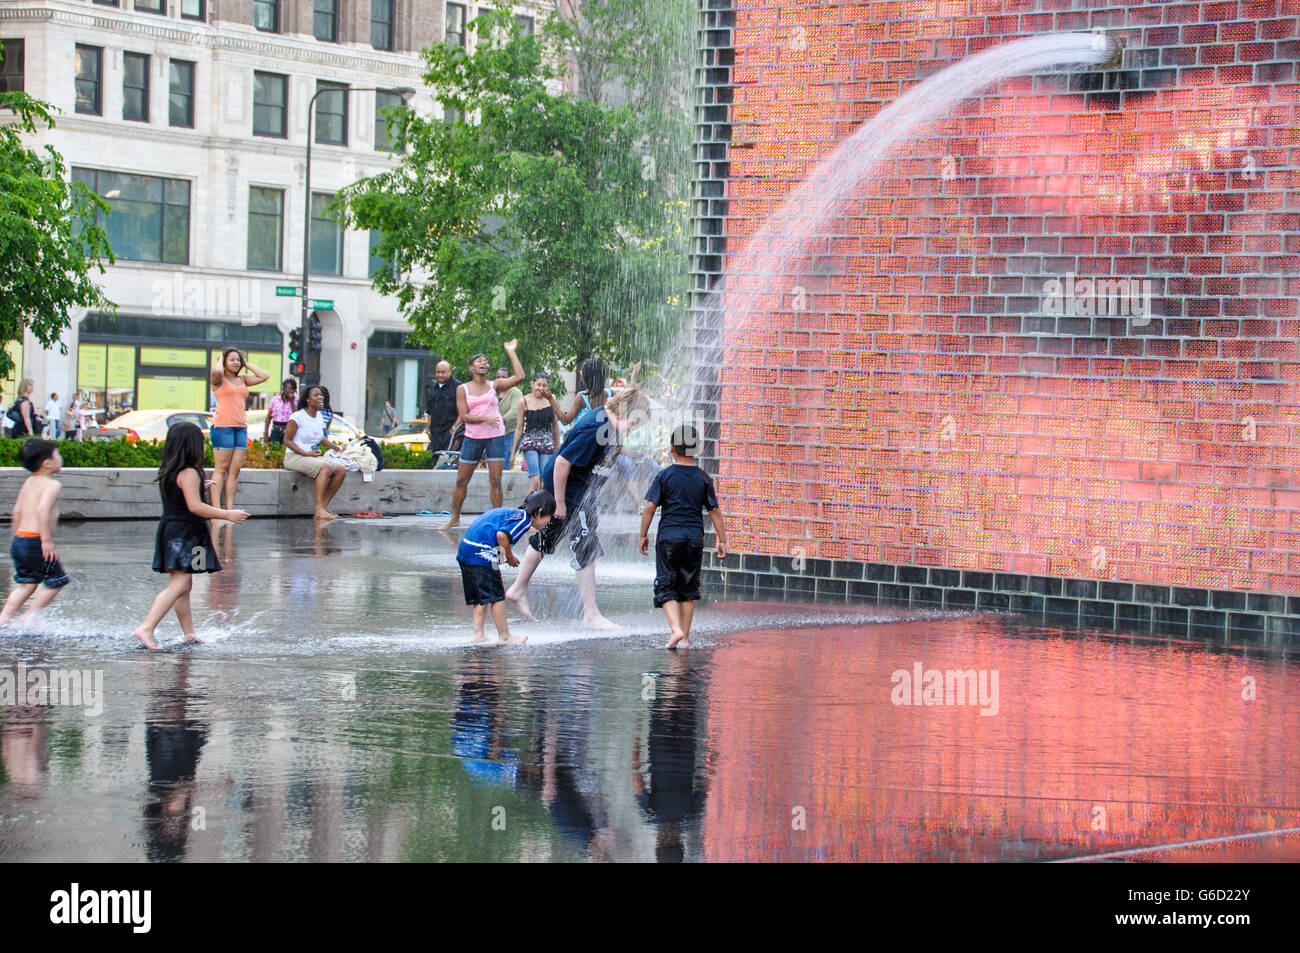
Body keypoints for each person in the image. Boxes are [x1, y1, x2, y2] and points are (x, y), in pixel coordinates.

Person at [506, 386, 650, 628]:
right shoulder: (596, 427)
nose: (634, 428)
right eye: (634, 422)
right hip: (571, 489)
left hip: (579, 489)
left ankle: (518, 588)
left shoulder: (608, 423)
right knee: (586, 543)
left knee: (550, 536)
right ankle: (590, 614)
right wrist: (560, 502)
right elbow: (562, 463)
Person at [133, 422, 249, 650]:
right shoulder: (189, 472)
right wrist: (228, 514)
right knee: (180, 584)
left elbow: (182, 500)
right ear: (193, 446)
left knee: (184, 585)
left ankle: (189, 633)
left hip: (173, 530)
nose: (205, 448)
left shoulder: (171, 470)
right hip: (184, 533)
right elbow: (195, 507)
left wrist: (199, 488)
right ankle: (147, 627)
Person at [638, 424, 730, 649]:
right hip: (693, 540)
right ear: (696, 448)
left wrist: (643, 535)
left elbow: (650, 507)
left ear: (671, 449)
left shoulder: (664, 476)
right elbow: (714, 511)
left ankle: (676, 629)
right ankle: (686, 639)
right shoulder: (703, 478)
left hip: (669, 538)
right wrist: (723, 539)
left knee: (665, 584)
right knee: (688, 590)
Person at [441, 340, 525, 529]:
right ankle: (455, 517)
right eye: (479, 361)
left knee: (495, 481)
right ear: (471, 367)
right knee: (462, 479)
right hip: (472, 438)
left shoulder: (494, 385)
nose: (483, 363)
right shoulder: (462, 389)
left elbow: (520, 376)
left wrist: (511, 351)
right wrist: (486, 418)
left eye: (486, 361)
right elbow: (463, 416)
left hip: (495, 437)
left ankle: (498, 519)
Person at [456, 489, 556, 645]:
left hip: (466, 550)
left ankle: (478, 633)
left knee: (481, 597)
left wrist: (500, 555)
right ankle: (505, 636)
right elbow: (502, 535)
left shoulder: (514, 514)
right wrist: (509, 557)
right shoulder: (524, 520)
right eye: (548, 518)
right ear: (540, 512)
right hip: (481, 553)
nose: (547, 523)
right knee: (497, 596)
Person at [0, 439, 68, 627]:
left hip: (21, 539)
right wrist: (46, 540)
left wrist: (16, 539)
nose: (60, 458)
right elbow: (42, 509)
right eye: (58, 454)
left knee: (28, 584)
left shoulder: (29, 482)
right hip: (37, 541)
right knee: (57, 580)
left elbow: (17, 512)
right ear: (47, 463)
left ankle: (4, 618)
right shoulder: (52, 485)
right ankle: (29, 616)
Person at [209, 348, 269, 511]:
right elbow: (216, 370)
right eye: (232, 360)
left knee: (235, 471)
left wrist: (245, 363)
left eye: (238, 360)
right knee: (221, 468)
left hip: (241, 427)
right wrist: (221, 358)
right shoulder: (218, 379)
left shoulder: (243, 379)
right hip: (223, 426)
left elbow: (264, 376)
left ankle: (229, 508)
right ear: (224, 363)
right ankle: (216, 509)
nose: (236, 363)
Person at [283, 384, 348, 521]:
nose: (320, 397)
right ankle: (318, 510)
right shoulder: (297, 416)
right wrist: (305, 454)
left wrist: (338, 448)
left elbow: (321, 438)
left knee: (340, 470)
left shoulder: (319, 417)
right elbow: (287, 440)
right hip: (294, 456)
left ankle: (324, 506)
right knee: (324, 467)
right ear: (307, 399)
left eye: (321, 395)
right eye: (316, 395)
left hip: (311, 457)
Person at [553, 359, 641, 428]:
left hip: (585, 446)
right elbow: (629, 397)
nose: (580, 372)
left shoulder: (581, 398)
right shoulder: (611, 394)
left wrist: (550, 398)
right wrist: (633, 378)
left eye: (582, 370)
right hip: (604, 446)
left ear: (587, 376)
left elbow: (565, 421)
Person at [512, 373, 562, 492]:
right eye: (538, 384)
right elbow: (519, 428)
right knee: (535, 478)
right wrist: (513, 453)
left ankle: (541, 509)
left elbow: (555, 425)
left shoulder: (551, 399)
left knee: (544, 480)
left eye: (544, 386)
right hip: (530, 443)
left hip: (547, 443)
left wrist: (558, 446)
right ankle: (529, 509)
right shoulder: (523, 401)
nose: (541, 388)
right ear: (532, 384)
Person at [425, 361, 462, 454]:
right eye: (438, 372)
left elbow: (463, 411)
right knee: (435, 457)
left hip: (451, 431)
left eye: (443, 372)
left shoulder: (459, 387)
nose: (440, 375)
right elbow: (429, 410)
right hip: (436, 432)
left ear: (449, 372)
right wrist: (428, 426)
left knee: (449, 458)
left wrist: (454, 428)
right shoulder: (432, 388)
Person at [496, 368, 524, 469]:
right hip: (495, 434)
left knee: (507, 463)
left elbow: (515, 411)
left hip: (511, 432)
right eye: (498, 377)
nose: (501, 379)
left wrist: (499, 420)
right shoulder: (493, 392)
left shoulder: (515, 392)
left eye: (504, 377)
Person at [263, 378, 297, 446]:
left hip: (289, 430)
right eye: (289, 389)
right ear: (284, 389)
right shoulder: (275, 400)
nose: (291, 391)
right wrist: (266, 433)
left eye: (293, 389)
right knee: (274, 451)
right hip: (276, 430)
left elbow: (296, 416)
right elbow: (268, 417)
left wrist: (292, 401)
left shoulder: (297, 401)